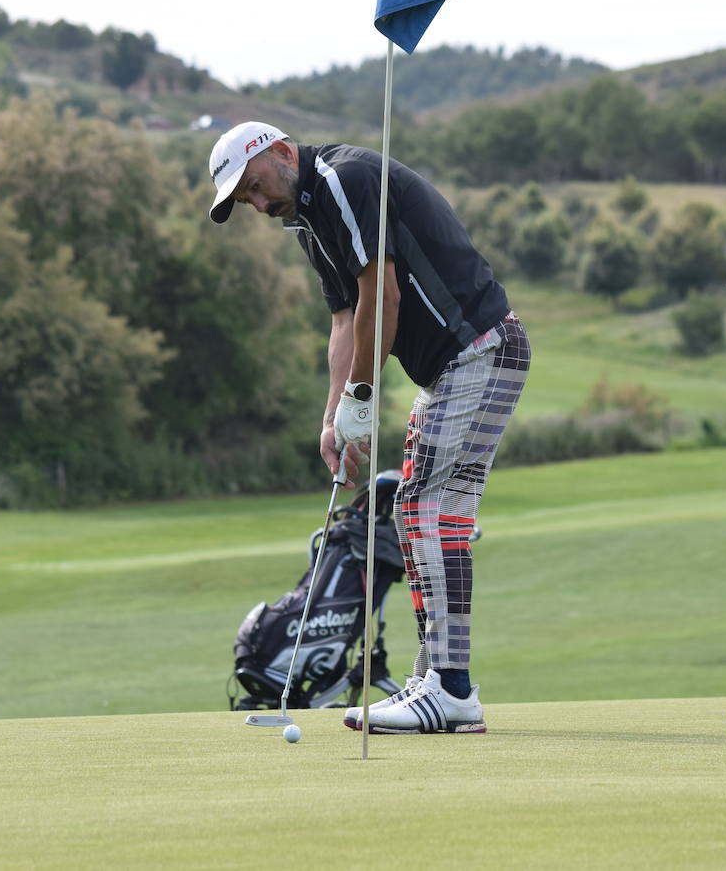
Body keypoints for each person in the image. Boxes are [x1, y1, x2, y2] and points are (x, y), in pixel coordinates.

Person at [208, 121, 530, 734]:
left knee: (424, 510)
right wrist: (335, 417)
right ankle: (441, 682)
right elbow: (345, 319)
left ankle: (449, 688)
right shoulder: (307, 219)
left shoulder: (342, 179)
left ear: (280, 151)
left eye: (253, 187)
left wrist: (362, 394)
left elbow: (382, 294)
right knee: (433, 514)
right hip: (456, 367)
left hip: (480, 350)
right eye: (244, 199)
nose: (255, 204)